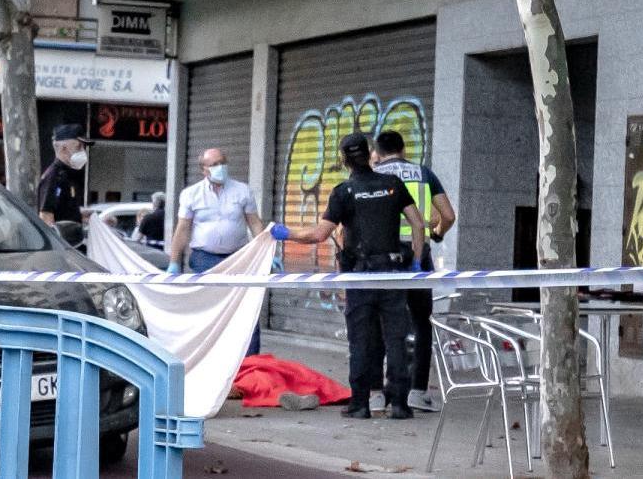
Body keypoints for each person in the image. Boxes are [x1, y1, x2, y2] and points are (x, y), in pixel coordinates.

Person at [272, 133, 424, 420]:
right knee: (396, 338)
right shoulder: (392, 184)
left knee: (361, 340)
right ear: (371, 154)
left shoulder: (344, 192)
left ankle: (360, 403)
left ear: (343, 160)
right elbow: (417, 223)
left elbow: (319, 234)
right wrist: (415, 261)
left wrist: (286, 233)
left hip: (359, 276)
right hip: (393, 274)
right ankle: (401, 405)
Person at [371, 130, 456, 412]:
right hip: (420, 253)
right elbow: (448, 216)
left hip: (384, 255)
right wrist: (439, 233)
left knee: (383, 322)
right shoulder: (424, 174)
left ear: (378, 151)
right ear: (403, 149)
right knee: (421, 322)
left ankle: (381, 391)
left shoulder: (373, 175)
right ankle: (418, 391)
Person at [168, 148, 266, 353]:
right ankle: (210, 354)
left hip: (239, 258)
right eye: (213, 165)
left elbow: (255, 223)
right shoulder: (191, 194)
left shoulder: (242, 191)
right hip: (205, 258)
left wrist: (266, 250)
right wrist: (174, 262)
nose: (220, 167)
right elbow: (183, 229)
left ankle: (250, 362)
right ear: (204, 170)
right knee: (210, 309)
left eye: (222, 162)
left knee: (246, 306)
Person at [37, 124, 93, 226]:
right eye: (79, 147)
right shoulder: (53, 176)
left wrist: (84, 216)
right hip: (61, 240)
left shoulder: (67, 174)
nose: (83, 151)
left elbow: (65, 213)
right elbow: (46, 217)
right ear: (63, 148)